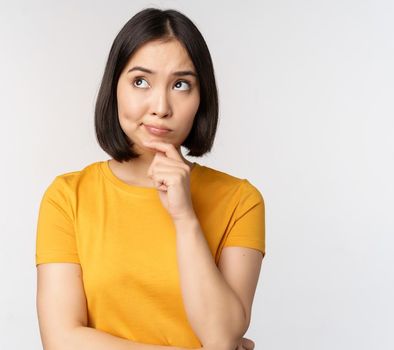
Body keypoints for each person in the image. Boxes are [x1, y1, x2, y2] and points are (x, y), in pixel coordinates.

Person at [35, 8, 264, 350]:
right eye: (141, 81)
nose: (160, 106)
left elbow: (221, 335)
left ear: (201, 99)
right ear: (115, 86)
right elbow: (61, 340)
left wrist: (185, 217)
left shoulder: (240, 200)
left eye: (181, 84)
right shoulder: (68, 197)